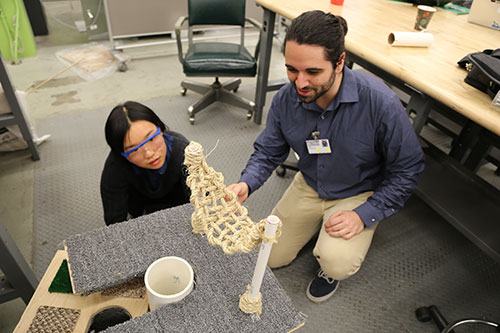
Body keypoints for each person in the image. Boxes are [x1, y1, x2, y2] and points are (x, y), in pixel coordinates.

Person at [228, 11, 425, 303]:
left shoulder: (379, 103)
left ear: (340, 62)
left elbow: (408, 169)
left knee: (336, 261)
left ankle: (330, 261)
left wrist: (364, 215)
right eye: (292, 69)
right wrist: (245, 184)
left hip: (357, 190)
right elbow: (269, 151)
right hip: (310, 183)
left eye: (313, 72)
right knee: (270, 257)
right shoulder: (286, 98)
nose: (300, 83)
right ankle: (317, 230)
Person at [101, 101, 191, 225]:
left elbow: (203, 202)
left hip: (183, 210)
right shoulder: (115, 168)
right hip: (141, 215)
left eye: (151, 138)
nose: (149, 153)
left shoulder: (184, 151)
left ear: (160, 128)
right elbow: (114, 222)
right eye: (134, 149)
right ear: (121, 153)